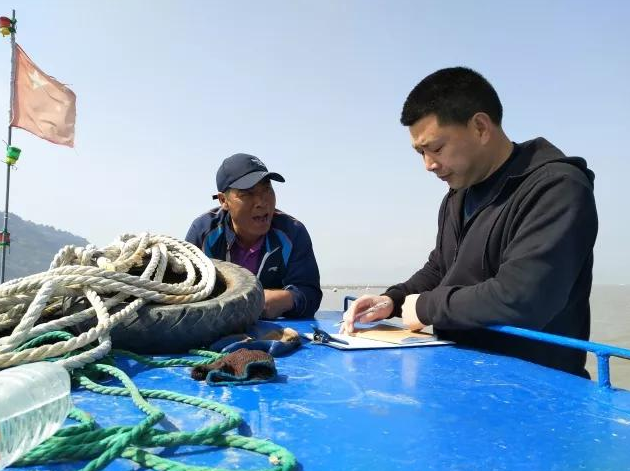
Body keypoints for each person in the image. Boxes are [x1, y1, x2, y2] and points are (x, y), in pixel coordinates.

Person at [341, 67, 598, 377]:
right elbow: (440, 268)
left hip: (538, 389)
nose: (428, 165)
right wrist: (392, 301)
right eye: (420, 152)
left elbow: (521, 298)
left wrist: (425, 308)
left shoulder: (557, 188)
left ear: (480, 127)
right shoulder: (456, 194)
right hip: (460, 376)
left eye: (435, 148)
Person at [186, 153, 322, 319]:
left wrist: (284, 300)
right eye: (247, 194)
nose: (261, 202)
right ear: (223, 201)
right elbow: (186, 292)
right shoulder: (203, 232)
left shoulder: (293, 233)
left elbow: (310, 293)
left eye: (266, 189)